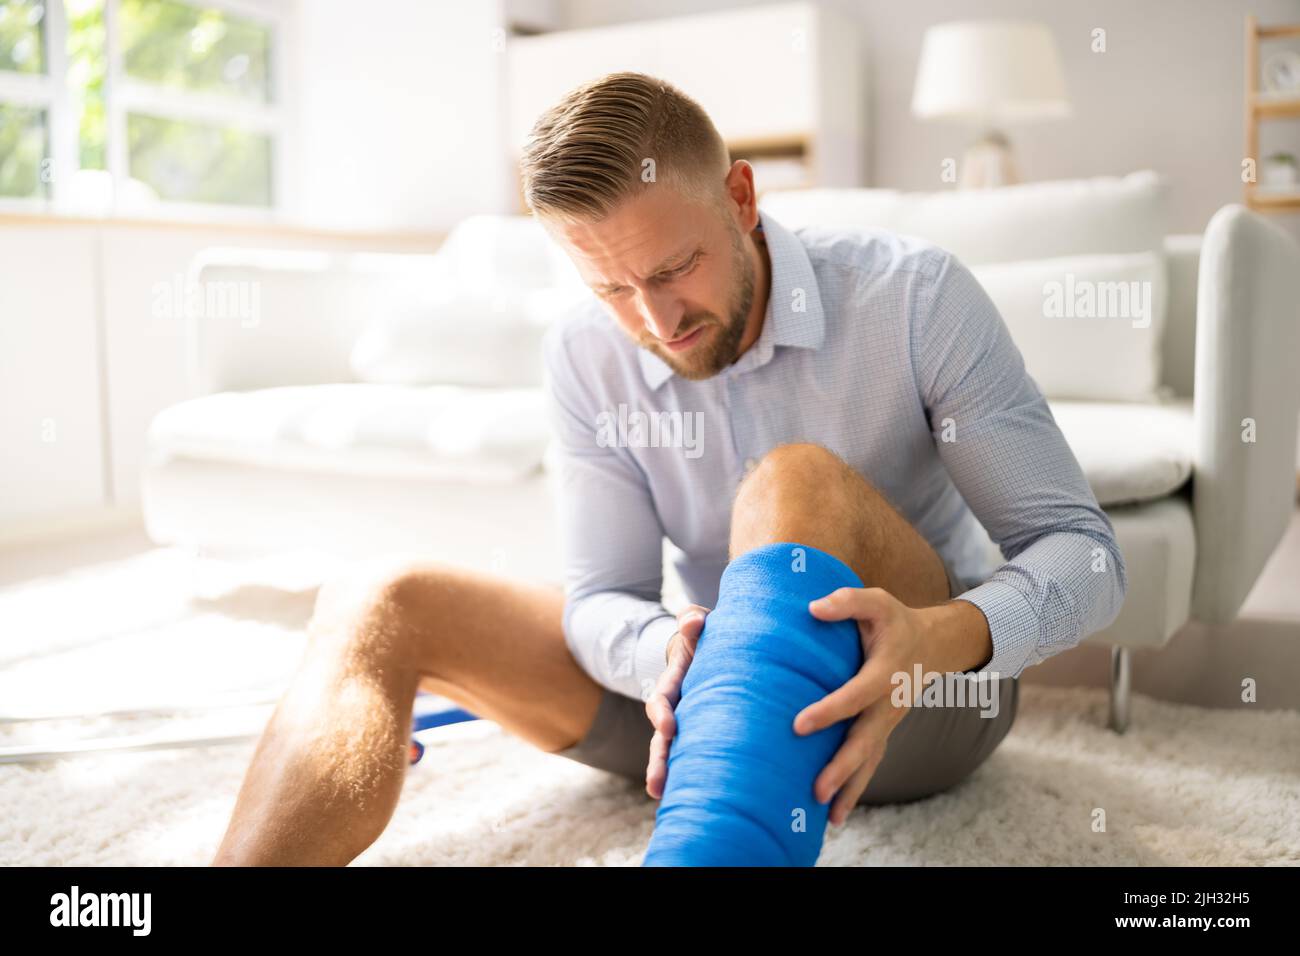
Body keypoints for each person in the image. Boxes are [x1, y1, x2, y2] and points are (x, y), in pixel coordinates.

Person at [212, 72, 1125, 866]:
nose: (655, 321)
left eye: (675, 266)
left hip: (913, 697)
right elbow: (601, 598)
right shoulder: (581, 353)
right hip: (688, 707)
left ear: (740, 197)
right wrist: (669, 653)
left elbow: (1084, 557)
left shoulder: (915, 296)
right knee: (379, 598)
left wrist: (940, 639)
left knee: (792, 479)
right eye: (611, 287)